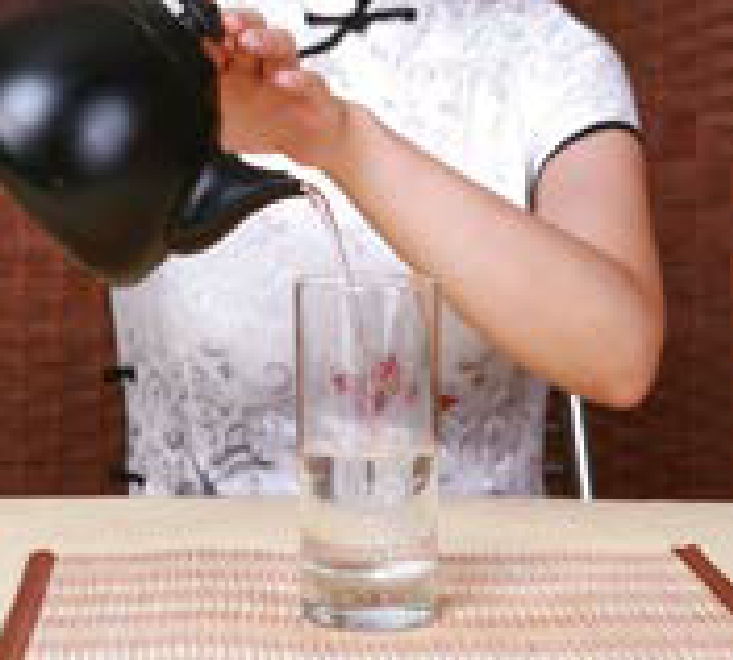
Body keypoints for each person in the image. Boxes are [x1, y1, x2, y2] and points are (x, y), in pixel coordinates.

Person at [111, 0, 664, 496]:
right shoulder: (147, 34)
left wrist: (340, 140)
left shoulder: (550, 52)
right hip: (187, 559)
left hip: (469, 562)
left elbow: (618, 355)